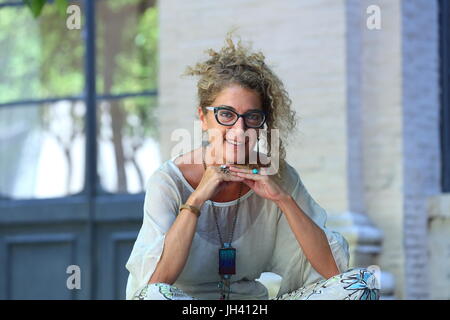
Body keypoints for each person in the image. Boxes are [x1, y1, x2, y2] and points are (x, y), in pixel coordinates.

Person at [125, 35, 380, 300]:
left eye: (252, 117)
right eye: (226, 114)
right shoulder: (168, 180)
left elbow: (332, 272)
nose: (239, 129)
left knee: (362, 284)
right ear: (203, 118)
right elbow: (155, 284)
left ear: (262, 123)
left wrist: (282, 199)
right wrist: (197, 198)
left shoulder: (277, 176)